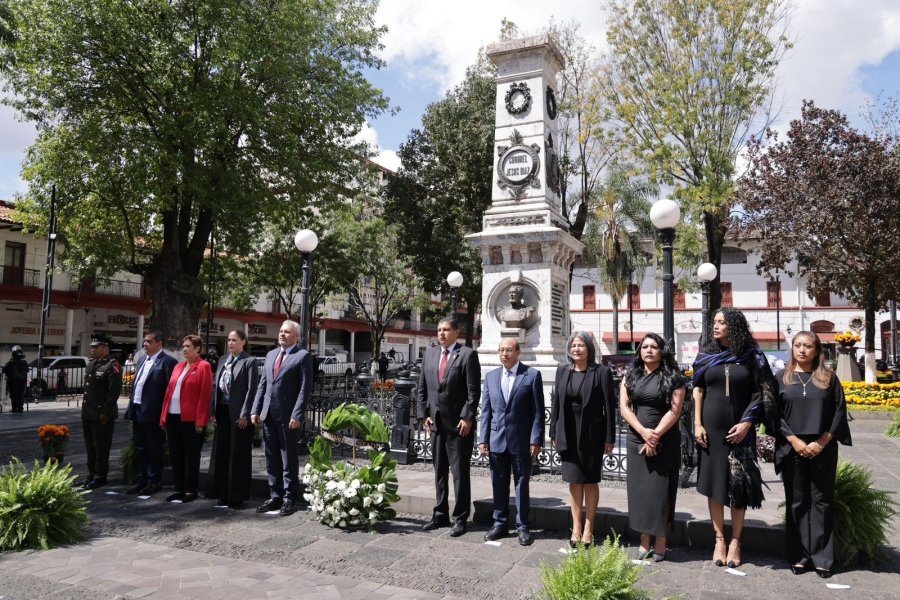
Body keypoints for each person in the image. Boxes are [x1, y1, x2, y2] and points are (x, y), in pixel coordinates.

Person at [692, 307, 776, 569]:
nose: (715, 326)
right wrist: (696, 423)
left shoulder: (752, 356)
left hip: (741, 432)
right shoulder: (706, 355)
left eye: (721, 323)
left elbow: (765, 390)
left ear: (734, 326)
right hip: (710, 431)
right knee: (715, 484)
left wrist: (748, 423)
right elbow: (697, 389)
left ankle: (736, 541)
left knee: (738, 485)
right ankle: (719, 539)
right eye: (714, 322)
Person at [776, 331, 851, 578]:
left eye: (808, 346)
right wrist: (794, 440)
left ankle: (822, 558)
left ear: (817, 350)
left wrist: (822, 441)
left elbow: (839, 412)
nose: (802, 350)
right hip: (792, 447)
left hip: (824, 447)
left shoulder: (829, 379)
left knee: (821, 501)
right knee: (797, 502)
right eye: (798, 345)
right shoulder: (781, 378)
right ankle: (798, 556)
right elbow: (773, 414)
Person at [619, 333, 685, 561]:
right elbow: (625, 408)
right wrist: (644, 432)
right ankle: (644, 539)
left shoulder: (673, 377)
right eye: (644, 347)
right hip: (637, 439)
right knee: (640, 494)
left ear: (661, 351)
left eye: (653, 347)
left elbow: (675, 410)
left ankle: (661, 540)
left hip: (664, 441)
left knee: (660, 492)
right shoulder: (631, 375)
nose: (648, 350)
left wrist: (655, 435)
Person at [549, 331, 617, 547]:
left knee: (589, 481)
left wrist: (609, 437)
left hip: (592, 435)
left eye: (581, 345)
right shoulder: (562, 371)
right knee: (574, 481)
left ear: (589, 349)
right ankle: (576, 526)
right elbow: (556, 404)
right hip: (568, 432)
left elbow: (609, 408)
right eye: (573, 345)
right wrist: (553, 432)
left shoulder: (601, 372)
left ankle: (589, 527)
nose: (576, 349)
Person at [417, 316, 481, 536]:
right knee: (439, 472)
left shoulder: (467, 355)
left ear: (456, 332)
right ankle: (440, 514)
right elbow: (422, 388)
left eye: (445, 330)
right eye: (438, 330)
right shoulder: (430, 354)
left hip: (458, 426)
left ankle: (460, 517)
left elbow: (473, 393)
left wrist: (468, 417)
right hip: (435, 424)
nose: (441, 334)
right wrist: (423, 414)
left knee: (459, 473)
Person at [478, 338, 544, 546]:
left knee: (521, 484)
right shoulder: (491, 377)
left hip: (521, 441)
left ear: (518, 352)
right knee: (498, 483)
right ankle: (499, 523)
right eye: (501, 350)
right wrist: (483, 439)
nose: (504, 353)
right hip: (497, 440)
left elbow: (538, 412)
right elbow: (486, 411)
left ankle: (523, 526)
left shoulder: (531, 375)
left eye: (508, 350)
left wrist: (536, 439)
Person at [251, 320, 313, 517]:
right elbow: (263, 384)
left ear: (296, 336)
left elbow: (304, 389)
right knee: (271, 458)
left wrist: (297, 414)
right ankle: (275, 495)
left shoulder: (302, 357)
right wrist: (255, 409)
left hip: (288, 417)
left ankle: (289, 498)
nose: (282, 334)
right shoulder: (270, 355)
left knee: (288, 458)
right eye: (281, 331)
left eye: (287, 332)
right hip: (268, 414)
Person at [207, 329, 259, 508]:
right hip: (222, 411)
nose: (230, 343)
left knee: (238, 455)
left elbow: (252, 390)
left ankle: (236, 496)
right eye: (228, 340)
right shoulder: (223, 360)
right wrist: (212, 411)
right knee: (222, 452)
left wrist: (245, 414)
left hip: (239, 415)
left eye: (234, 340)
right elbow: (215, 387)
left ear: (243, 342)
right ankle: (222, 493)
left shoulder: (249, 361)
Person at [160, 335, 213, 503]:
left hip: (190, 419)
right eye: (183, 346)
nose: (184, 349)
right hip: (173, 416)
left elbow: (205, 396)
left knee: (191, 455)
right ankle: (179, 488)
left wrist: (200, 421)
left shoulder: (203, 366)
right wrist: (163, 417)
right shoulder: (178, 366)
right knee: (176, 454)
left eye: (188, 346)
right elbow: (168, 393)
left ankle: (191, 490)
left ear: (198, 349)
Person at [124, 331, 177, 495]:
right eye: (144, 341)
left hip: (154, 413)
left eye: (148, 342)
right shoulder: (141, 360)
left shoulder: (168, 362)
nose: (145, 344)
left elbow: (170, 389)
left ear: (159, 344)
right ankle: (142, 479)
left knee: (155, 447)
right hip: (138, 410)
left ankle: (155, 480)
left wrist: (164, 414)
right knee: (140, 447)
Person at [78, 334, 123, 490]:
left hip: (102, 414)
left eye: (96, 347)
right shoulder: (91, 364)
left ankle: (100, 477)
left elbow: (113, 392)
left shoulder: (112, 365)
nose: (92, 349)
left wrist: (106, 412)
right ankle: (91, 474)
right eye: (92, 346)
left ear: (105, 348)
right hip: (88, 413)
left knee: (101, 447)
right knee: (90, 447)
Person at [2, 346, 28, 413]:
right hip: (22, 381)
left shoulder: (11, 363)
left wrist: (9, 362)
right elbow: (27, 370)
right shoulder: (24, 362)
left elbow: (4, 370)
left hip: (12, 381)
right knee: (20, 394)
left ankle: (14, 408)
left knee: (14, 395)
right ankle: (20, 408)